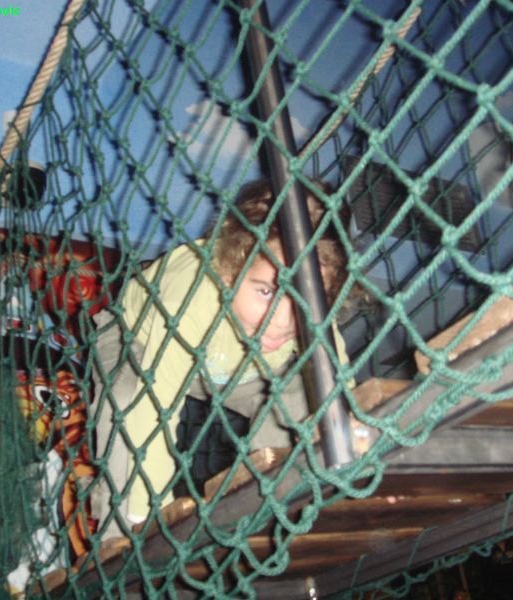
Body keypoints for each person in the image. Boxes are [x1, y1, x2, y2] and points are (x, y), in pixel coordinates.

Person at [88, 179, 354, 537]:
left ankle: (280, 514)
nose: (282, 320)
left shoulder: (310, 315)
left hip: (239, 365)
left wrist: (364, 472)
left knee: (305, 402)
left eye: (303, 299)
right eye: (266, 291)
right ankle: (118, 529)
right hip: (139, 341)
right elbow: (152, 405)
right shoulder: (191, 294)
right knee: (124, 404)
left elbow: (339, 391)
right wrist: (145, 518)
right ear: (229, 274)